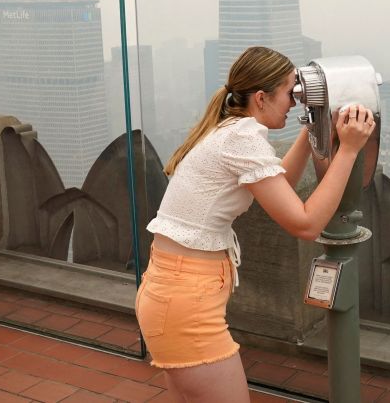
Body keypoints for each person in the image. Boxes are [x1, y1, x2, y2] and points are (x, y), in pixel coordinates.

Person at [135, 46, 375, 402]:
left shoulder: (231, 130)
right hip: (184, 305)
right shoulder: (242, 139)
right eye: (290, 92)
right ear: (262, 98)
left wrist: (311, 132)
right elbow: (306, 224)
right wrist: (350, 150)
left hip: (171, 295)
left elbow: (282, 186)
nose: (295, 102)